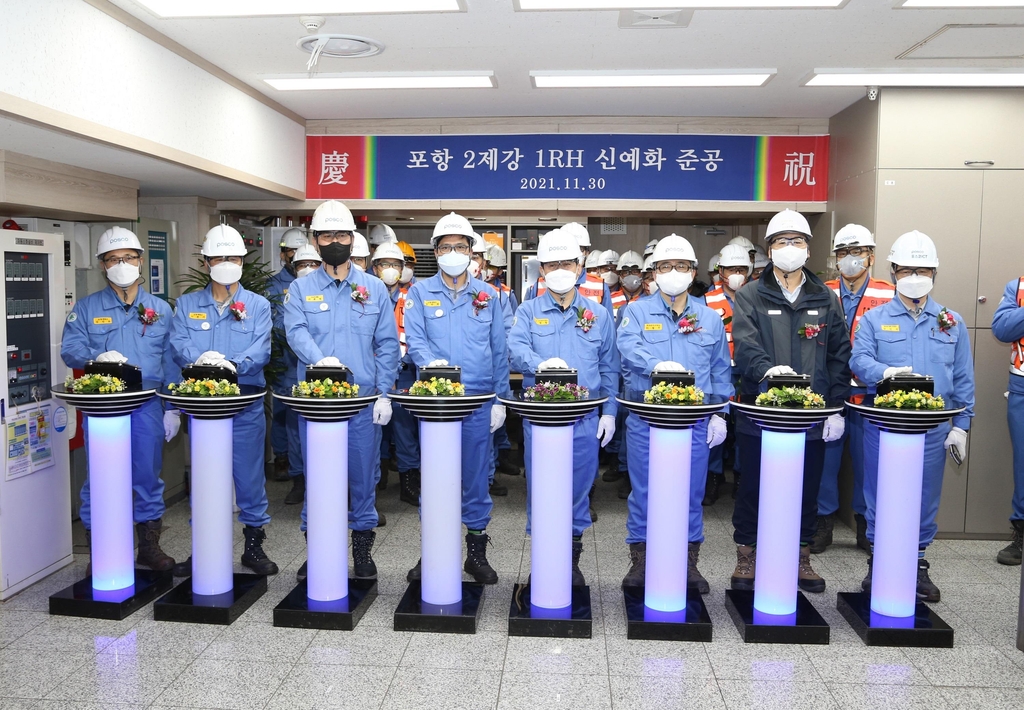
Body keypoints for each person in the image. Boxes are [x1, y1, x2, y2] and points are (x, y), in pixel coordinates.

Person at [730, 209, 851, 594]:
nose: (789, 248)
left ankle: (801, 556)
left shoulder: (824, 297)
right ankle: (747, 554)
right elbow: (745, 344)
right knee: (752, 486)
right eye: (781, 241)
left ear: (808, 249)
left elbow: (838, 354)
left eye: (797, 241)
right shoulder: (751, 293)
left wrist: (836, 406)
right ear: (769, 249)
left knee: (806, 488)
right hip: (760, 409)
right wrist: (770, 372)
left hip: (811, 414)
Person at [851, 230, 975, 601]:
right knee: (879, 494)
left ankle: (918, 564)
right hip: (884, 424)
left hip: (934, 428)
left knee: (924, 497)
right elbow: (858, 361)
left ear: (935, 273)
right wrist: (884, 373)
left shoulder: (952, 321)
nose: (915, 276)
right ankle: (880, 562)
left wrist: (962, 427)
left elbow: (964, 377)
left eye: (923, 269)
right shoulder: (875, 319)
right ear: (893, 271)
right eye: (907, 269)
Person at [284, 200, 399, 581]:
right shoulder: (299, 289)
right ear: (316, 242)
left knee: (363, 476)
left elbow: (386, 343)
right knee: (318, 478)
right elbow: (296, 332)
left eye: (342, 235)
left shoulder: (374, 289)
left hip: (363, 401)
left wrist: (385, 392)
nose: (335, 241)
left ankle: (362, 547)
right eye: (327, 235)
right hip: (316, 401)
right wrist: (322, 363)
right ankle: (318, 549)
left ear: (353, 240)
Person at [617, 234, 733, 593]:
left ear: (693, 272)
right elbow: (627, 345)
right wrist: (658, 365)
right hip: (646, 418)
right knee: (645, 491)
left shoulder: (710, 318)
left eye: (680, 266)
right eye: (665, 266)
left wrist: (720, 413)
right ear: (654, 272)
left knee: (690, 492)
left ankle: (687, 561)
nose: (673, 273)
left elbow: (720, 369)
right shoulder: (635, 311)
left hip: (694, 422)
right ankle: (642, 558)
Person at [61, 226, 179, 573]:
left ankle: (148, 547)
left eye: (127, 257)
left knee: (147, 476)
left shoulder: (160, 309)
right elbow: (70, 349)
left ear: (140, 261)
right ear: (102, 266)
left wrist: (172, 408)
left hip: (146, 405)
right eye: (113, 259)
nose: (121, 264)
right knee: (98, 478)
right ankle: (101, 548)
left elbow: (171, 360)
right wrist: (98, 359)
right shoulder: (86, 308)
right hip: (104, 407)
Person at [403, 212, 511, 585]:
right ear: (435, 251)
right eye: (446, 246)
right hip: (435, 402)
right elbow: (415, 339)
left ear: (471, 252)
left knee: (475, 479)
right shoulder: (418, 293)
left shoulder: (489, 295)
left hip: (479, 401)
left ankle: (476, 552)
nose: (453, 252)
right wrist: (429, 365)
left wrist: (500, 399)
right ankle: (432, 550)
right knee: (433, 479)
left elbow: (500, 349)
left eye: (460, 247)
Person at [507, 229, 619, 585]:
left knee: (577, 491)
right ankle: (542, 559)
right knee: (541, 490)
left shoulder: (598, 314)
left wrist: (610, 413)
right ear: (541, 268)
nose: (559, 268)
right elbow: (515, 347)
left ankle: (570, 560)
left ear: (580, 264)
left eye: (566, 262)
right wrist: (541, 364)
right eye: (552, 263)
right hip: (541, 418)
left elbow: (610, 365)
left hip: (584, 418)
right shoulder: (527, 310)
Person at [170, 225, 277, 576]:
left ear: (243, 262)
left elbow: (261, 348)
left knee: (249, 477)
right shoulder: (187, 304)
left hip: (244, 403)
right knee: (204, 477)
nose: (226, 263)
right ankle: (204, 546)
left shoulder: (258, 305)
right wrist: (201, 362)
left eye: (233, 257)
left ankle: (253, 545)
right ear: (205, 263)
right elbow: (178, 342)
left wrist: (231, 365)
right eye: (219, 258)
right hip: (204, 408)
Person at [814, 224, 895, 553]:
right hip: (830, 391)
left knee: (869, 464)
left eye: (857, 252)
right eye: (843, 253)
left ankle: (865, 524)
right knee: (825, 461)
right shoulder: (821, 291)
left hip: (869, 393)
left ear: (871, 256)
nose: (850, 259)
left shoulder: (889, 293)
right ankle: (822, 522)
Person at [372, 241, 422, 506]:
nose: (390, 270)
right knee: (374, 426)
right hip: (373, 372)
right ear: (375, 267)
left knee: (405, 429)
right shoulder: (365, 293)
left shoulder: (414, 296)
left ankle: (408, 481)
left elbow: (420, 335)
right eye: (385, 265)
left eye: (395, 265)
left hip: (404, 372)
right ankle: (375, 480)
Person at [702, 243, 751, 505]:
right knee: (716, 424)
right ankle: (712, 476)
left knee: (744, 427)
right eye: (732, 268)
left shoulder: (756, 297)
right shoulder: (707, 301)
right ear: (720, 271)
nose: (737, 273)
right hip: (718, 373)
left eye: (742, 268)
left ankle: (741, 475)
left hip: (748, 373)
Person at [267, 227, 308, 505]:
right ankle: (298, 478)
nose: (297, 259)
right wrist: (301, 331)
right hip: (288, 365)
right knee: (292, 425)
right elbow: (276, 323)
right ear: (284, 255)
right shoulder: (273, 286)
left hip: (321, 369)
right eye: (292, 253)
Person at [993, 275, 1024, 565]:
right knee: (1023, 463)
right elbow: (1002, 329)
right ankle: (1021, 532)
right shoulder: (1018, 287)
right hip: (1023, 386)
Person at [484, 243, 521, 479]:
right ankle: (490, 468)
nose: (488, 270)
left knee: (498, 413)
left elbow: (511, 330)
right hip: (476, 366)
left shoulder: (505, 293)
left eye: (493, 267)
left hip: (498, 364)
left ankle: (501, 457)